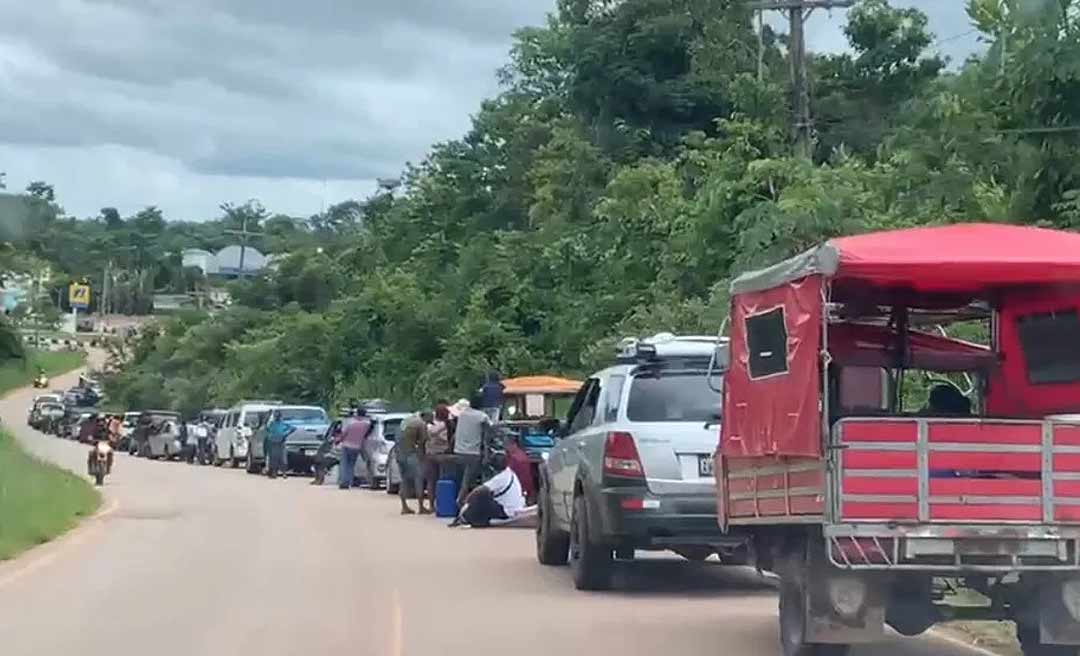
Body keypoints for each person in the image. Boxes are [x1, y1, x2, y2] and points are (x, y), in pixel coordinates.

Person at [450, 453, 526, 528]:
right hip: (515, 507)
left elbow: (479, 491)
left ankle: (469, 519)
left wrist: (466, 502)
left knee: (480, 498)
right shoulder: (510, 473)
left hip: (507, 512)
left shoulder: (500, 478)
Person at [453, 397, 491, 506]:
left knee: (461, 480)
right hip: (473, 453)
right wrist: (486, 454)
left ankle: (463, 501)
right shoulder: (482, 416)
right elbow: (487, 436)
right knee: (468, 481)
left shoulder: (462, 414)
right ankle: (460, 501)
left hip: (458, 452)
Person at [397, 412, 430, 514]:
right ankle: (421, 507)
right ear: (426, 417)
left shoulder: (405, 421)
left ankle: (404, 506)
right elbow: (423, 441)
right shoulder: (421, 424)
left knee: (404, 480)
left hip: (400, 453)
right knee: (418, 479)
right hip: (412, 454)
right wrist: (423, 456)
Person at [335, 408, 372, 490]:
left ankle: (343, 482)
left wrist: (337, 440)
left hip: (346, 445)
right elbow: (366, 434)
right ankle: (349, 482)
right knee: (351, 465)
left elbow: (344, 434)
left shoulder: (351, 423)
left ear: (357, 413)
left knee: (344, 464)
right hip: (357, 447)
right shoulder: (366, 424)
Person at [423, 403, 452, 507]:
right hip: (442, 454)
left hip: (430, 454)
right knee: (442, 480)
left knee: (431, 481)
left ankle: (432, 505)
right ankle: (442, 504)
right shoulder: (446, 425)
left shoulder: (429, 424)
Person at [264, 410, 289, 479]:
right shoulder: (273, 423)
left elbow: (292, 428)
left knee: (282, 458)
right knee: (274, 458)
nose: (276, 417)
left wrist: (285, 434)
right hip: (274, 441)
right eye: (275, 415)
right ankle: (274, 473)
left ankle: (283, 473)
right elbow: (267, 428)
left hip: (280, 442)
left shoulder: (282, 423)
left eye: (277, 415)